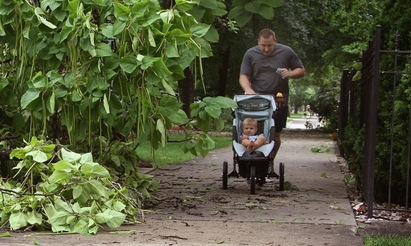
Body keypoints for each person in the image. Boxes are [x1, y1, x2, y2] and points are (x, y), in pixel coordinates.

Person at [239, 28, 306, 178]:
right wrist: (248, 89)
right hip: (257, 101)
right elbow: (243, 75)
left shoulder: (286, 51)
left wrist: (290, 73)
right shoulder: (250, 54)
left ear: (275, 41)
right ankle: (250, 161)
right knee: (252, 131)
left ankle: (268, 162)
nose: (266, 49)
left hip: (279, 100)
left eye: (269, 45)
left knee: (275, 135)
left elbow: (301, 70)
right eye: (263, 45)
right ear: (258, 42)